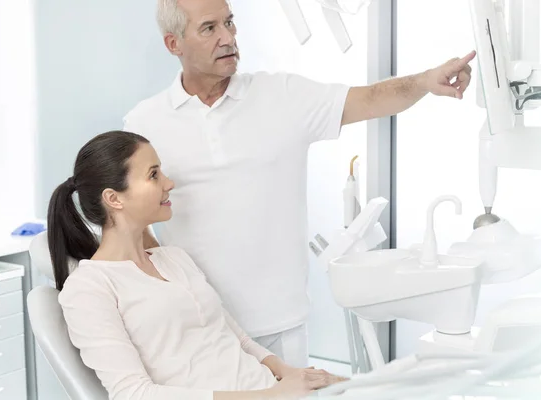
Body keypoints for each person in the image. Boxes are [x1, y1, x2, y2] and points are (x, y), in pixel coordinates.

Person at [123, 0, 476, 367]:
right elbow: (132, 222)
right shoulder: (144, 123)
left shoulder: (283, 96)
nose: (228, 37)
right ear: (173, 43)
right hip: (199, 331)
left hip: (281, 325)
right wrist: (172, 285)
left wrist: (424, 81)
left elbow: (370, 99)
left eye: (230, 22)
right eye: (209, 28)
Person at [48, 131, 346, 400]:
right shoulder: (89, 288)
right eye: (153, 175)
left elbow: (237, 340)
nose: (169, 183)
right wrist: (271, 395)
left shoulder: (174, 258)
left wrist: (288, 373)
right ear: (114, 199)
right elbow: (132, 394)